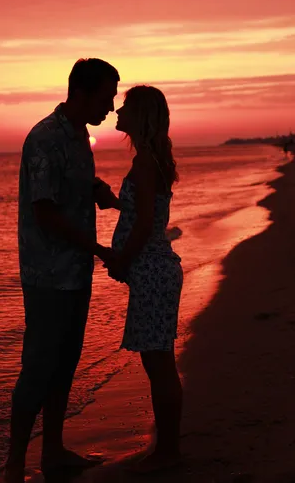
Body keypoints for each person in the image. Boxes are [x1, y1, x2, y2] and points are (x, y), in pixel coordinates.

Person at [5, 58, 120, 483]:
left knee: (66, 362)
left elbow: (71, 184)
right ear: (82, 93)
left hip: (76, 272)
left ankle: (52, 451)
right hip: (48, 275)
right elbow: (45, 212)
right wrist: (100, 250)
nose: (110, 107)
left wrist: (99, 191)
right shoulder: (44, 139)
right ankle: (14, 465)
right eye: (107, 97)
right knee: (38, 366)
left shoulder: (79, 138)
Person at [104, 85, 184, 474]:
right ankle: (168, 447)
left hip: (151, 269)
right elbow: (144, 213)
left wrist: (121, 261)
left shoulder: (145, 164)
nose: (117, 114)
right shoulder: (150, 161)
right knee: (159, 361)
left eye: (125, 109)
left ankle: (169, 451)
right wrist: (115, 201)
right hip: (154, 268)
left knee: (160, 364)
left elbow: (144, 226)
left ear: (140, 117)